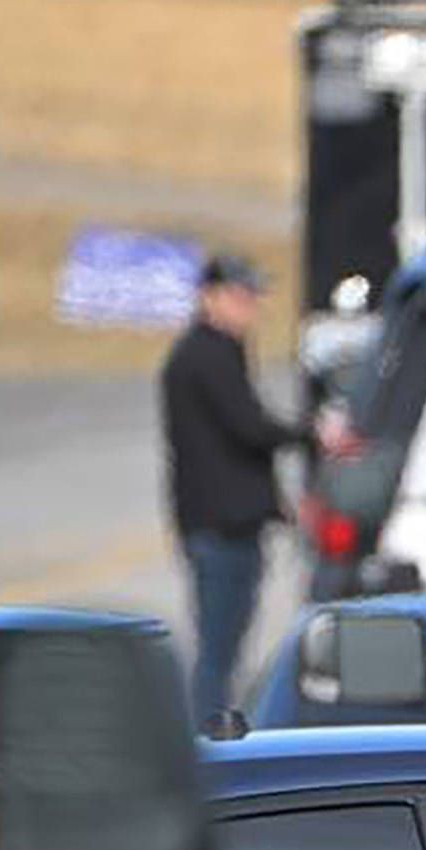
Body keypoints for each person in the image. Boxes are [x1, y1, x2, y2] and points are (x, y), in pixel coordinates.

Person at [160, 251, 310, 726]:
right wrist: (310, 433)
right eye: (240, 298)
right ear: (210, 297)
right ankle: (208, 739)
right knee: (218, 648)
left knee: (226, 643)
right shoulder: (206, 357)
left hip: (227, 522)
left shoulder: (213, 354)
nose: (250, 309)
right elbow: (248, 428)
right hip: (221, 528)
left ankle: (211, 730)